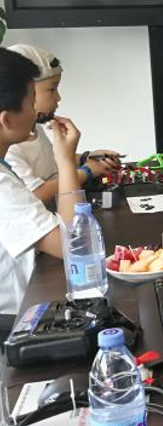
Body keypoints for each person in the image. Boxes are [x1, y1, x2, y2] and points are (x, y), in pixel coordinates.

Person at [0, 48, 83, 338]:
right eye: (30, 100)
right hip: (16, 323)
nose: (36, 109)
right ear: (6, 119)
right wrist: (66, 160)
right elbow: (73, 245)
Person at [4, 44, 120, 203]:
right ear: (26, 91)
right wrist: (86, 171)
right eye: (52, 89)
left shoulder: (34, 128)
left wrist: (85, 158)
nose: (58, 98)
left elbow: (51, 162)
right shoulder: (11, 147)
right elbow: (37, 193)